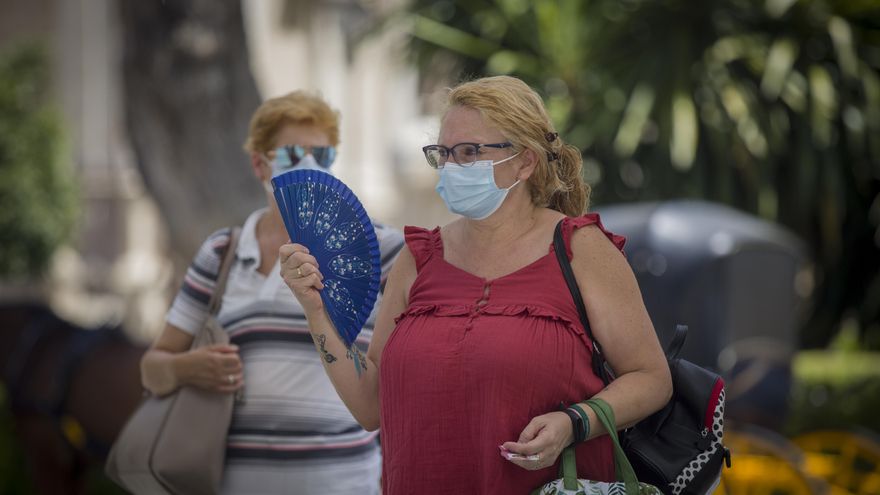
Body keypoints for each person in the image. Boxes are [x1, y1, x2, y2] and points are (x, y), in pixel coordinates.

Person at [279, 75, 673, 493]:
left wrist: (574, 423)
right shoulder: (419, 257)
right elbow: (371, 406)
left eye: (469, 152)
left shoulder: (580, 249)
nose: (451, 166)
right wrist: (315, 310)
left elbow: (651, 378)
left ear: (525, 161)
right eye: (443, 154)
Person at [140, 90, 403, 494]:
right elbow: (152, 370)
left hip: (346, 482)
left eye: (324, 154)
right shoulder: (222, 253)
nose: (312, 166)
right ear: (259, 165)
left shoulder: (381, 251)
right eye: (293, 156)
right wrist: (185, 368)